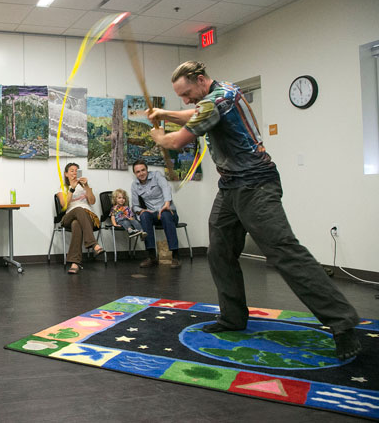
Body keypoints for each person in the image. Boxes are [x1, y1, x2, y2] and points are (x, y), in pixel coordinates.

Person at [146, 60, 361, 359]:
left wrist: (159, 136)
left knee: (284, 252)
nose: (185, 100)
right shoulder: (219, 94)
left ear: (199, 79)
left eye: (186, 93)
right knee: (219, 250)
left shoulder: (217, 100)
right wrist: (165, 113)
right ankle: (232, 318)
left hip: (256, 186)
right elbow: (196, 113)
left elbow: (176, 141)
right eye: (180, 96)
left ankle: (343, 324)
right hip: (231, 187)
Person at [130, 159, 181, 269]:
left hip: (168, 212)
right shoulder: (135, 185)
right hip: (152, 214)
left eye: (143, 170)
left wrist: (167, 204)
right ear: (135, 173)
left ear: (147, 170)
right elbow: (134, 206)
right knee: (144, 216)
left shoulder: (157, 176)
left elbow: (166, 188)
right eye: (138, 172)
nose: (141, 173)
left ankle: (175, 256)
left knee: (165, 215)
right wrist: (141, 210)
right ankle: (151, 256)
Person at [56, 162, 104, 274]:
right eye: (71, 171)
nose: (74, 173)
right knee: (78, 209)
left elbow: (92, 201)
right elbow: (64, 206)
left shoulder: (84, 187)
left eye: (76, 171)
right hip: (68, 216)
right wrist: (71, 189)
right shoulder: (62, 188)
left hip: (88, 217)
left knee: (76, 224)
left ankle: (75, 263)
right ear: (66, 174)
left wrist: (86, 186)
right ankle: (93, 244)